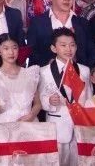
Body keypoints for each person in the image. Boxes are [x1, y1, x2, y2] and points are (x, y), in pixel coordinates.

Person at [38, 29, 91, 165]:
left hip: (80, 125)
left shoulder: (84, 70)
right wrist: (49, 101)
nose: (68, 49)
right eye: (63, 45)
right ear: (53, 48)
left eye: (72, 45)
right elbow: (39, 99)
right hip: (56, 124)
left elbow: (89, 97)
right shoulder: (44, 71)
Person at [28, 0, 95, 67]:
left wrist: (81, 68)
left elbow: (92, 53)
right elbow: (32, 54)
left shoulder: (83, 23)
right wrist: (48, 65)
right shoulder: (37, 23)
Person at [0, 34, 40, 123]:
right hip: (3, 124)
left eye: (14, 48)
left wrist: (32, 115)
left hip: (29, 122)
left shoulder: (30, 73)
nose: (11, 52)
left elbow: (38, 103)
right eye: (6, 48)